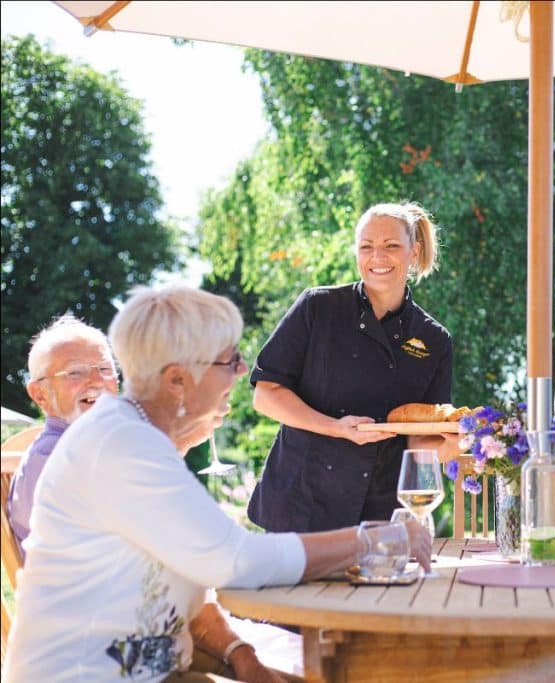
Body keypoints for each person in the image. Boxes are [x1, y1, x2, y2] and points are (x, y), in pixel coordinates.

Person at [2, 286, 432, 682]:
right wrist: (375, 538)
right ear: (176, 381)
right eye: (228, 361)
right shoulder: (120, 443)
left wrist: (243, 658)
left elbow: (191, 585)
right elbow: (232, 560)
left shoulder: (138, 439)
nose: (242, 371)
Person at [247, 202, 459, 533]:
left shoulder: (433, 339)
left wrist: (461, 443)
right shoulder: (317, 308)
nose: (378, 257)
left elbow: (419, 446)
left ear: (413, 251)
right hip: (301, 505)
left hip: (380, 515)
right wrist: (336, 427)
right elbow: (266, 395)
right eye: (366, 247)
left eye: (391, 246)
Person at [6, 315, 119, 553]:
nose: (97, 381)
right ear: (40, 395)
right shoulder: (55, 461)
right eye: (75, 372)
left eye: (106, 368)